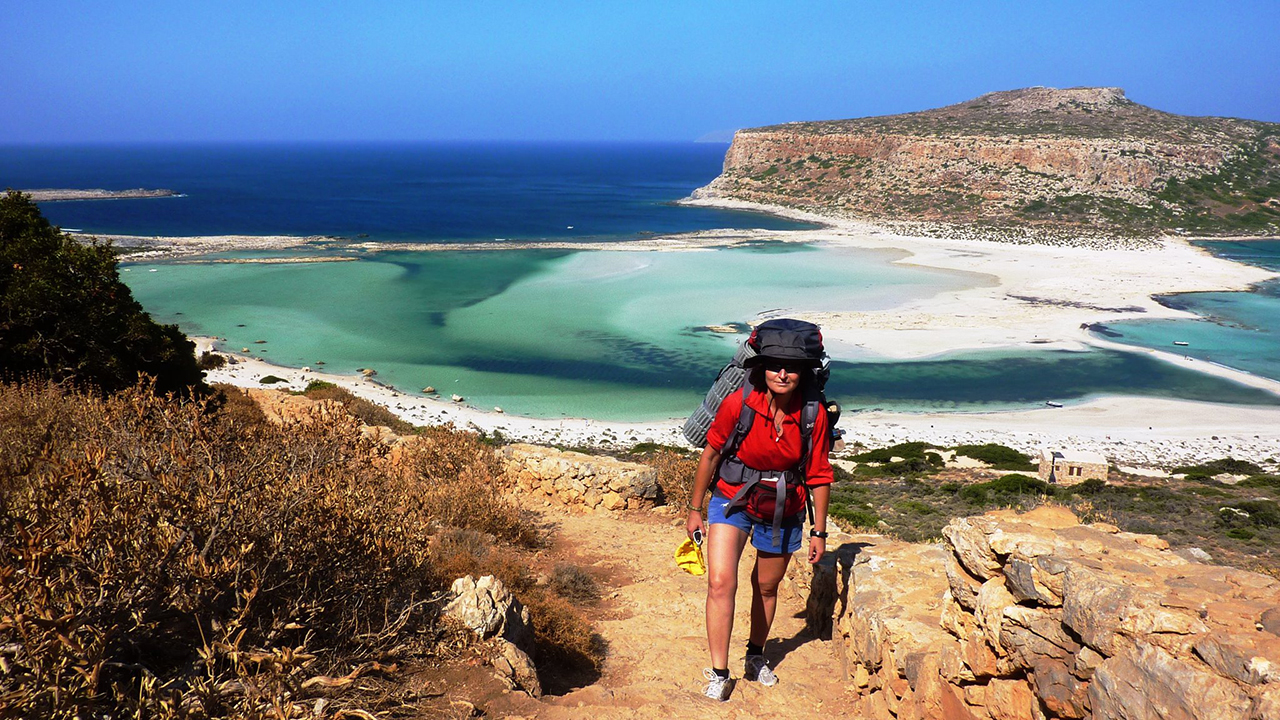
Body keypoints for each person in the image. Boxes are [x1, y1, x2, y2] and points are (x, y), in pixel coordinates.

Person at [685, 321, 833, 702]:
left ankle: (755, 655)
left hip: (784, 505)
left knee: (766, 586)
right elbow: (712, 453)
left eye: (791, 367)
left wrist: (819, 531)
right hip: (732, 497)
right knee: (721, 582)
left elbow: (818, 474)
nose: (782, 373)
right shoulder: (739, 403)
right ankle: (719, 672)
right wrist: (695, 509)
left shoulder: (812, 413)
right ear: (761, 367)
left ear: (804, 371)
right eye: (774, 365)